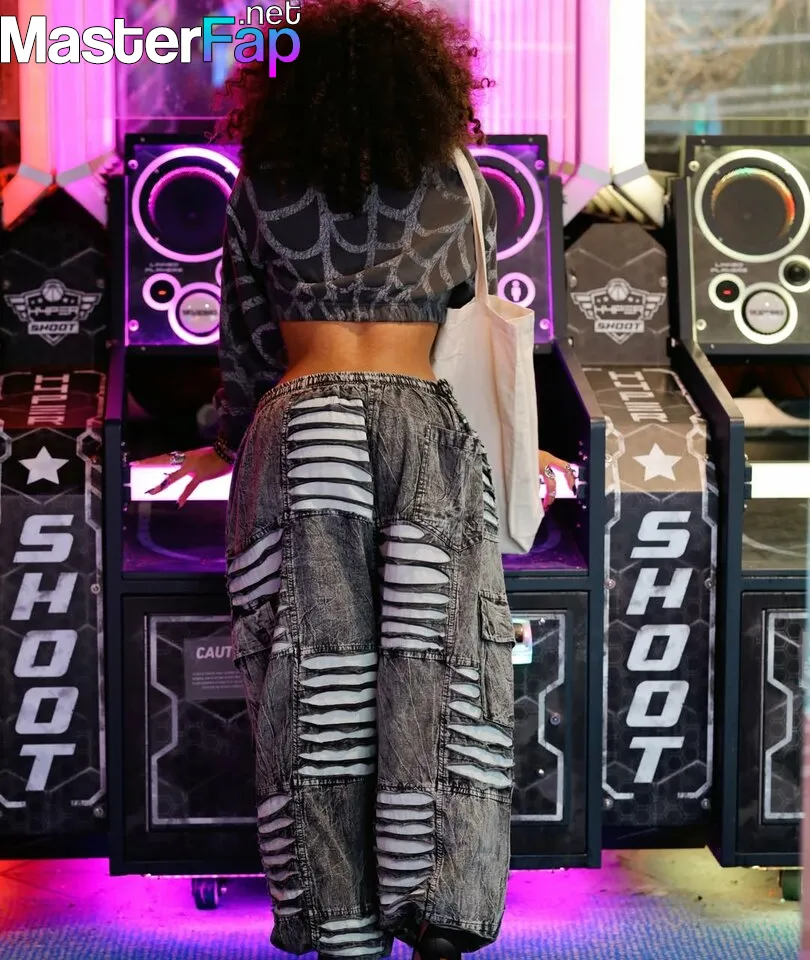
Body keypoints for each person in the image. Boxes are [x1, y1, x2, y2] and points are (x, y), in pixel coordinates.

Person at [148, 1, 575, 957]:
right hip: (423, 427)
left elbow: (245, 345)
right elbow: (467, 328)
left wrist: (225, 441)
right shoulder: (459, 180)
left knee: (310, 685)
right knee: (444, 672)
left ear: (288, 90)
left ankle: (339, 929)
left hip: (301, 431)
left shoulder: (261, 180)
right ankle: (437, 910)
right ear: (428, 86)